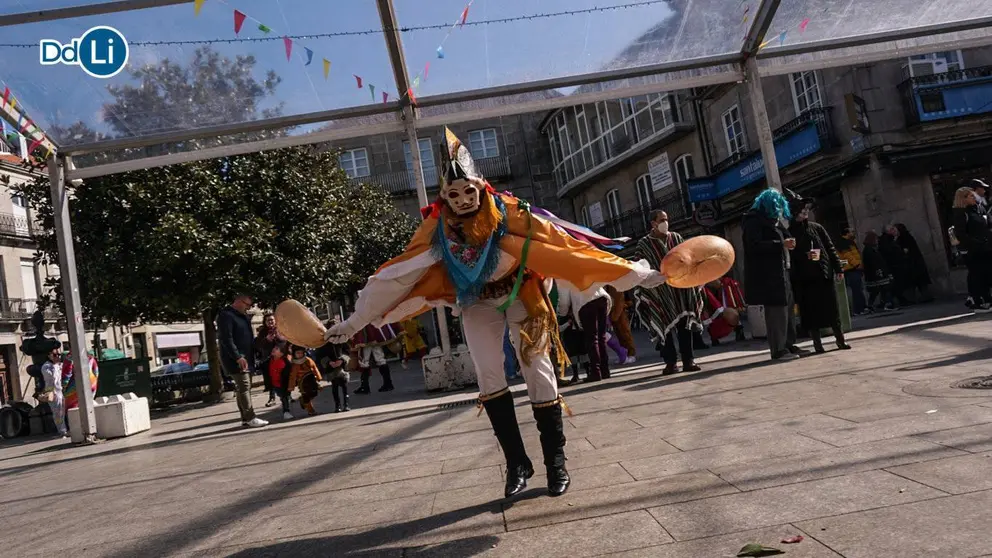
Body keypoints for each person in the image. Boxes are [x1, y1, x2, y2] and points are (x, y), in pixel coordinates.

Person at [324, 128, 667, 499]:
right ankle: (518, 463)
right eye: (453, 194)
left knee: (537, 369)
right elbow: (395, 276)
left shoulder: (512, 214)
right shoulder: (436, 229)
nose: (463, 199)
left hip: (524, 294)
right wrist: (354, 323)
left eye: (468, 190)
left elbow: (567, 248)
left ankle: (556, 461)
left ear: (481, 186)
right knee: (488, 373)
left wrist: (639, 275)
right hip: (475, 300)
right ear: (444, 198)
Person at [742, 188, 808, 361]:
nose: (778, 210)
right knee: (777, 312)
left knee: (788, 310)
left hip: (783, 270)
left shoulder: (774, 221)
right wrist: (780, 243)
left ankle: (789, 344)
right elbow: (753, 246)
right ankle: (778, 350)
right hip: (769, 274)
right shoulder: (753, 220)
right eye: (776, 206)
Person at [634, 210, 702, 375]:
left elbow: (688, 257)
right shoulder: (644, 244)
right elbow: (639, 267)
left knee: (684, 325)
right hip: (658, 291)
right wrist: (653, 276)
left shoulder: (677, 238)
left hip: (680, 289)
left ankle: (688, 360)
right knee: (662, 326)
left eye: (666, 219)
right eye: (662, 220)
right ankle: (670, 362)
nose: (665, 222)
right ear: (653, 223)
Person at [789, 198, 852, 354]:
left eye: (806, 211)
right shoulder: (790, 232)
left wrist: (838, 269)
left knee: (832, 309)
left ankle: (840, 340)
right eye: (802, 211)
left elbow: (830, 248)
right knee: (811, 313)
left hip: (823, 275)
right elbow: (790, 256)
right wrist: (804, 256)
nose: (805, 213)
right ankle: (817, 344)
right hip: (805, 279)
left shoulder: (817, 228)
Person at [217, 295, 268, 428]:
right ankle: (250, 417)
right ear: (239, 301)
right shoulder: (226, 315)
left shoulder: (243, 316)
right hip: (237, 358)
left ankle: (245, 418)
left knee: (242, 388)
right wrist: (237, 356)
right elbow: (226, 338)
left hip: (247, 357)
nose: (248, 308)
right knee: (244, 386)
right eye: (247, 305)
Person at [556, 284, 612, 382]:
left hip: (585, 302)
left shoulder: (563, 275)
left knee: (592, 338)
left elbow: (564, 302)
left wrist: (562, 313)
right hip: (601, 297)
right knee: (601, 337)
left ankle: (595, 372)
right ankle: (605, 370)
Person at [952, 187, 992, 312]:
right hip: (972, 251)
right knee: (977, 275)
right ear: (963, 199)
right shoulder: (961, 213)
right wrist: (976, 243)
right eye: (971, 196)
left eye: (974, 196)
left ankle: (987, 300)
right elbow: (961, 234)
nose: (974, 198)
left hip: (985, 248)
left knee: (986, 274)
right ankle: (978, 302)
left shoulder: (978, 209)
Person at [350, 324, 399, 394]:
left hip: (366, 337)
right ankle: (388, 383)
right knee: (380, 359)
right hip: (375, 334)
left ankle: (365, 387)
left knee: (364, 361)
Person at [701, 276, 746, 345]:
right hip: (713, 306)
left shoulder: (728, 284)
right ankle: (714, 336)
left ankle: (738, 328)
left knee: (730, 312)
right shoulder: (706, 289)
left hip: (727, 308)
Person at [254, 313, 286, 407]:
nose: (270, 322)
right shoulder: (263, 332)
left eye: (272, 320)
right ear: (265, 322)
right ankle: (272, 398)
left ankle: (287, 396)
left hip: (281, 357)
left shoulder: (280, 329)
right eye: (268, 320)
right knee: (272, 378)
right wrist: (267, 339)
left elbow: (285, 341)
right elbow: (259, 346)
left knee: (283, 377)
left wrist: (278, 337)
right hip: (269, 358)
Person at [836, 227, 868, 316]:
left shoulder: (850, 242)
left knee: (858, 289)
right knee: (856, 290)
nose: (853, 233)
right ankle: (858, 309)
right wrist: (857, 265)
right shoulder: (844, 242)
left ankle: (862, 307)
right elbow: (848, 256)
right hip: (852, 269)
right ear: (847, 233)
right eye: (852, 232)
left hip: (854, 269)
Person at [862, 231, 897, 311]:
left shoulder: (872, 249)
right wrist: (878, 271)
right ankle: (884, 304)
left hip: (877, 273)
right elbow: (873, 263)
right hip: (876, 273)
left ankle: (879, 304)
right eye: (876, 239)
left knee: (880, 290)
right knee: (880, 289)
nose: (877, 240)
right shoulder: (868, 250)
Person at [39, 346, 67, 438]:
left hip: (61, 390)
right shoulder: (46, 367)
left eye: (58, 355)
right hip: (52, 391)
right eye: (55, 355)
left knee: (64, 410)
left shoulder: (59, 365)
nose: (57, 357)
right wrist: (55, 366)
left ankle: (67, 428)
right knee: (57, 412)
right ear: (49, 355)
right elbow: (52, 378)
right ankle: (62, 430)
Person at [287, 344, 323, 417]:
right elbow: (292, 377)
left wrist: (319, 377)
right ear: (294, 354)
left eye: (301, 353)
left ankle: (302, 400)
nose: (300, 355)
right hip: (302, 382)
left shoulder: (308, 360)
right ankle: (311, 411)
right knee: (306, 396)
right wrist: (291, 386)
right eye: (298, 353)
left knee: (314, 393)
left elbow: (315, 368)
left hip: (311, 379)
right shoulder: (294, 365)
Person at [261, 342, 293, 420]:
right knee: (281, 395)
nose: (273, 349)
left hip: (283, 384)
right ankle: (280, 400)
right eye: (274, 348)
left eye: (276, 349)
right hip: (273, 384)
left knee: (284, 397)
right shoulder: (269, 361)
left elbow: (289, 374)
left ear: (282, 353)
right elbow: (262, 366)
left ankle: (286, 411)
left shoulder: (285, 363)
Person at [605, 285, 636, 363]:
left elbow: (619, 300)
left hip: (619, 310)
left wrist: (614, 316)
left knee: (624, 332)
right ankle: (625, 355)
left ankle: (631, 354)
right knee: (620, 333)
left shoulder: (615, 286)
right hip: (615, 310)